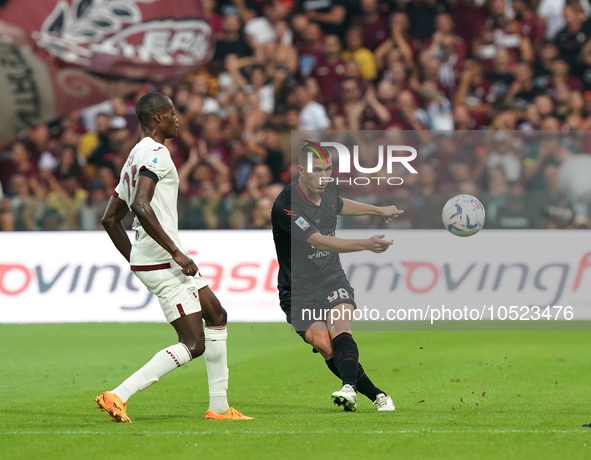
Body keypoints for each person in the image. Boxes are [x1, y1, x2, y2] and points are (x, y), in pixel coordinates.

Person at [95, 92, 252, 422]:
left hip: (154, 257)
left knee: (217, 314)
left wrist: (136, 258)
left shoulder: (134, 157)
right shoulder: (157, 153)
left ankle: (220, 409)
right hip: (164, 259)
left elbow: (110, 218)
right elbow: (140, 204)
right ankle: (118, 395)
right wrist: (174, 253)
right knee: (193, 343)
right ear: (156, 119)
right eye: (171, 114)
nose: (177, 119)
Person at [270, 143, 402, 411]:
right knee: (324, 345)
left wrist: (378, 210)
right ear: (301, 171)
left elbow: (339, 205)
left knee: (341, 326)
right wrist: (365, 244)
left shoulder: (328, 188)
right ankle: (377, 394)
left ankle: (351, 389)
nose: (323, 175)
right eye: (317, 170)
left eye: (328, 169)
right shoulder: (286, 205)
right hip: (297, 289)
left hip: (331, 277)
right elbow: (318, 241)